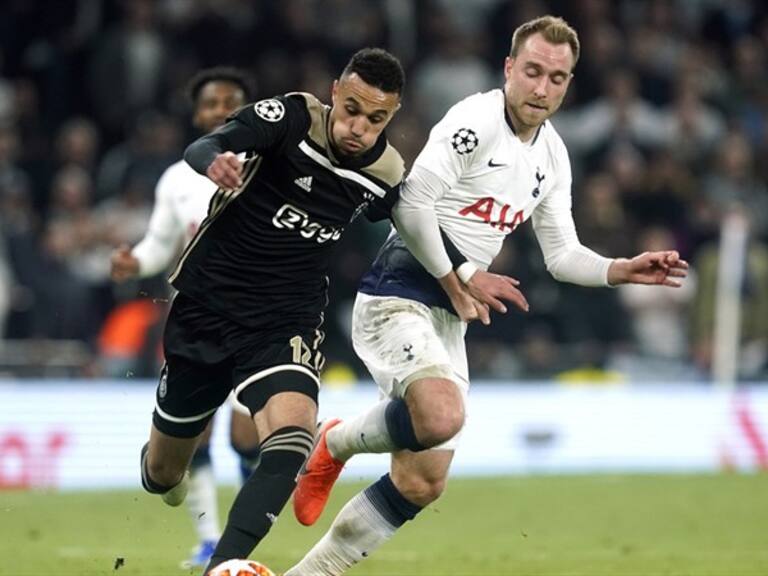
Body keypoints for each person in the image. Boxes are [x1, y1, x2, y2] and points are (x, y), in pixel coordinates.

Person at [289, 15, 689, 576]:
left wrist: (620, 268)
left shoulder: (552, 156)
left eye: (557, 77)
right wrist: (461, 272)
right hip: (398, 292)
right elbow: (409, 204)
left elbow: (562, 254)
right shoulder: (475, 121)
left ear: (569, 83)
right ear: (509, 68)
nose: (542, 87)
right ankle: (334, 443)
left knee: (423, 481)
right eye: (532, 71)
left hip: (449, 310)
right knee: (441, 413)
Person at [136, 48, 413, 575]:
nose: (359, 127)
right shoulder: (289, 118)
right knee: (164, 473)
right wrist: (215, 159)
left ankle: (224, 566)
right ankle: (161, 474)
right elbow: (206, 144)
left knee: (291, 439)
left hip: (285, 319)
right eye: (352, 109)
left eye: (377, 119)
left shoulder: (386, 171)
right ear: (335, 92)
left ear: (392, 116)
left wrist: (462, 273)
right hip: (206, 309)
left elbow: (416, 226)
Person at [110, 67, 262, 569]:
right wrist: (136, 260)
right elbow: (159, 245)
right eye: (212, 103)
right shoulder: (178, 178)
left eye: (232, 101)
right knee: (192, 438)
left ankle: (241, 536)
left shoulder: (269, 161)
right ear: (197, 115)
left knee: (247, 435)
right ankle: (207, 537)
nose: (222, 110)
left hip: (262, 315)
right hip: (199, 316)